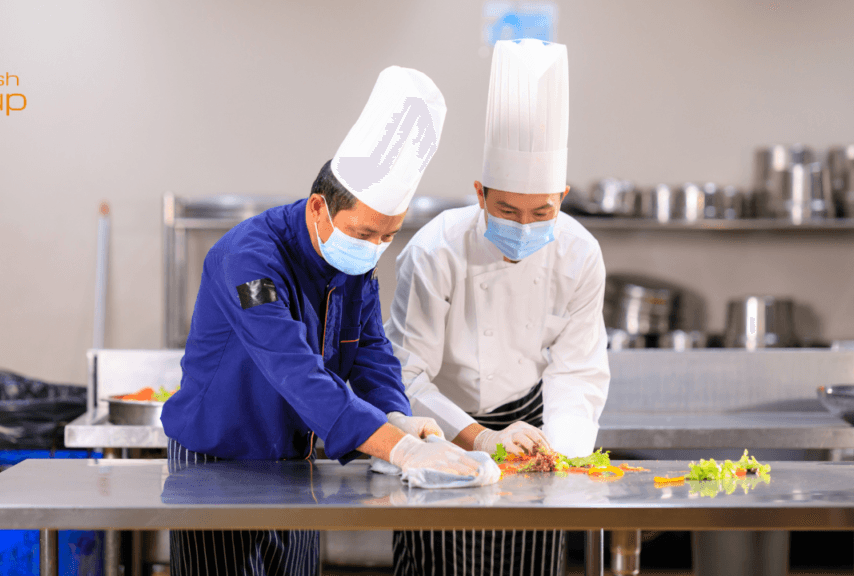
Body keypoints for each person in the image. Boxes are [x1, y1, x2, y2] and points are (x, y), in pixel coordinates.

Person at [160, 66, 489, 576]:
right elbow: (293, 368)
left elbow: (373, 352)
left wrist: (394, 415)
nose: (375, 248)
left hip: (297, 458)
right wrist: (396, 447)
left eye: (389, 235)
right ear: (319, 208)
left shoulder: (354, 262)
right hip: (219, 457)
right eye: (365, 232)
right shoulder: (249, 258)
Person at [385, 39, 611, 576]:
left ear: (563, 195)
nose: (524, 225)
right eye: (507, 208)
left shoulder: (580, 253)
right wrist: (480, 439)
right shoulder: (435, 251)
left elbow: (577, 372)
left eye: (542, 212)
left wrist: (563, 459)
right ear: (480, 193)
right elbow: (408, 377)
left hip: (529, 429)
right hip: (439, 429)